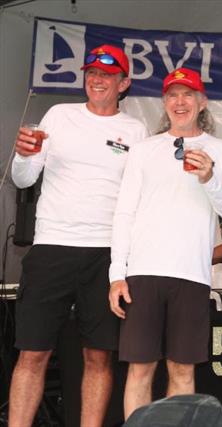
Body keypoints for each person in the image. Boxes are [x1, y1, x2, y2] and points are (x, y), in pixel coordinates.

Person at [8, 44, 147, 427]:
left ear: (124, 83)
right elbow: (23, 179)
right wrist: (22, 155)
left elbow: (141, 197)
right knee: (32, 353)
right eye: (92, 73)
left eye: (107, 73)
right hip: (52, 247)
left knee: (99, 355)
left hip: (106, 254)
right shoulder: (58, 115)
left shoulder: (135, 130)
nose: (97, 79)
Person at [107, 67, 222, 418]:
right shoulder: (144, 150)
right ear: (164, 102)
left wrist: (210, 178)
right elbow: (124, 213)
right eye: (172, 94)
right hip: (142, 273)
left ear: (202, 102)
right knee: (140, 369)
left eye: (188, 95)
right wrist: (116, 275)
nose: (179, 101)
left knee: (183, 371)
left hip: (193, 277)